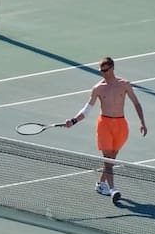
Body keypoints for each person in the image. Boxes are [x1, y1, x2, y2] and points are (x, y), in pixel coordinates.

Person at [63, 56, 147, 199]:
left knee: (111, 160)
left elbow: (136, 103)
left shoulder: (124, 84)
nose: (103, 73)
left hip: (120, 125)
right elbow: (87, 109)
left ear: (112, 68)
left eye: (106, 70)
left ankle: (100, 183)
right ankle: (113, 189)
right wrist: (74, 120)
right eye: (101, 71)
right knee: (108, 160)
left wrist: (142, 122)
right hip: (104, 125)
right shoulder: (98, 88)